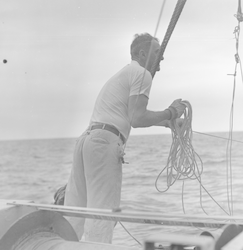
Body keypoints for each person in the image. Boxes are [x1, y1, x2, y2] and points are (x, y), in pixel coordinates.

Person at [64, 32, 186, 243]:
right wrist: (172, 112)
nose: (162, 57)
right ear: (142, 54)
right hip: (104, 143)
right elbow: (137, 118)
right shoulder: (142, 74)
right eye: (158, 52)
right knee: (102, 213)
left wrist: (166, 122)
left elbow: (128, 115)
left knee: (74, 213)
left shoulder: (125, 73)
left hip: (87, 140)